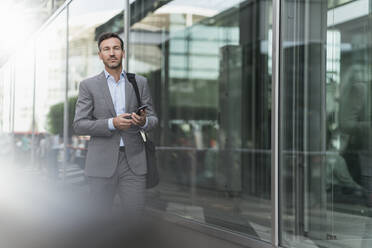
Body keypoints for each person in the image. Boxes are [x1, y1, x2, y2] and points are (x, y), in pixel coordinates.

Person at [73, 32, 158, 219]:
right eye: (106, 49)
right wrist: (113, 123)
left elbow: (153, 119)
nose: (112, 53)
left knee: (135, 219)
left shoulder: (139, 82)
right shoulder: (88, 86)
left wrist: (143, 122)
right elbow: (79, 125)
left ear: (123, 53)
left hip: (133, 162)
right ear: (100, 55)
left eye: (116, 48)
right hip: (101, 163)